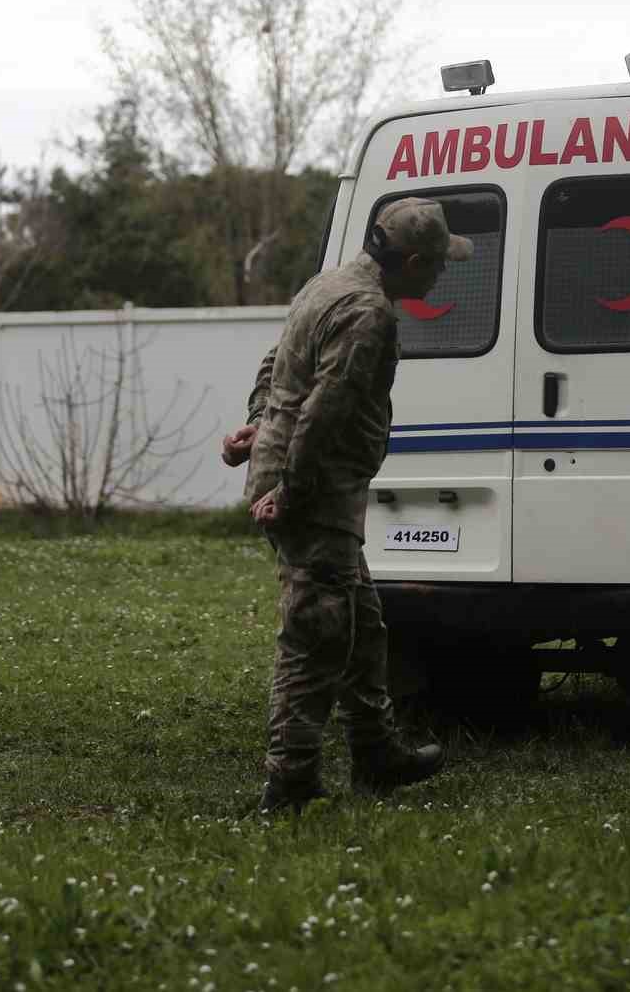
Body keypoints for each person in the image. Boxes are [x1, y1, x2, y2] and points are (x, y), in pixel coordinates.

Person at [223, 197, 472, 815]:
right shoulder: (369, 313)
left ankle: (376, 751)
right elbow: (325, 411)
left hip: (304, 483)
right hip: (314, 492)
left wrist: (257, 426)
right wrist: (291, 491)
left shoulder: (328, 283)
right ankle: (291, 782)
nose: (440, 275)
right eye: (437, 265)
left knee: (362, 625)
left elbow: (275, 364)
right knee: (316, 636)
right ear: (411, 260)